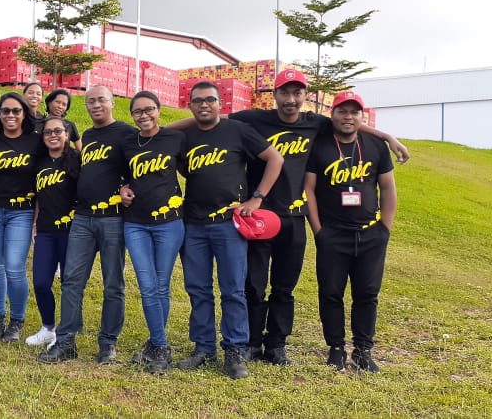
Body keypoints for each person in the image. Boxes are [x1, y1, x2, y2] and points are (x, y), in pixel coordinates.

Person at [164, 68, 409, 365]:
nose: (291, 99)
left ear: (305, 96)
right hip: (257, 217)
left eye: (297, 93)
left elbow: (350, 123)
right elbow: (209, 117)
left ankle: (277, 344)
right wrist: (160, 131)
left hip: (293, 218)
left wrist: (386, 137)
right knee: (253, 285)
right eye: (284, 93)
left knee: (284, 287)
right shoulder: (254, 119)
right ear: (275, 95)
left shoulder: (315, 123)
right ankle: (252, 343)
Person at [174, 81, 283, 380]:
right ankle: (203, 348)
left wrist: (257, 197)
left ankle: (234, 350)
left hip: (229, 224)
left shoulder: (237, 130)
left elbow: (276, 158)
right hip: (194, 223)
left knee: (233, 290)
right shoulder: (185, 136)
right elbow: (182, 164)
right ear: (190, 105)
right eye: (197, 101)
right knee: (197, 289)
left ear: (221, 103)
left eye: (210, 100)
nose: (204, 105)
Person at [38, 85, 136, 365]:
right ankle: (66, 342)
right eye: (91, 101)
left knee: (113, 284)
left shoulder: (126, 132)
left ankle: (108, 343)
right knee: (71, 281)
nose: (96, 105)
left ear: (113, 102)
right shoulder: (90, 136)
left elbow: (141, 164)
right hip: (82, 218)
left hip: (112, 218)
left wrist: (129, 185)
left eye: (101, 100)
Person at [304, 91, 397, 373]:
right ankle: (335, 348)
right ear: (332, 115)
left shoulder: (375, 146)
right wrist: (319, 231)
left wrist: (385, 228)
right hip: (333, 235)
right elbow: (309, 189)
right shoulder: (320, 145)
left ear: (361, 116)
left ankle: (362, 351)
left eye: (354, 112)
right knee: (331, 293)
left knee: (367, 294)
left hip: (370, 236)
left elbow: (387, 187)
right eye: (342, 111)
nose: (348, 117)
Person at [116, 91, 187, 374]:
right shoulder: (128, 143)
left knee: (161, 285)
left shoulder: (175, 139)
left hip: (169, 223)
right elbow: (121, 175)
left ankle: (156, 346)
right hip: (135, 223)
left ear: (159, 110)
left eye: (149, 109)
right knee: (147, 285)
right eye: (138, 111)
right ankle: (160, 346)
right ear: (132, 115)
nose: (144, 115)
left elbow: (191, 169)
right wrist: (121, 188)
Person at [0, 93, 42, 342]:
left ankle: (17, 320)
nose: (11, 115)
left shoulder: (35, 142)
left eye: (16, 110)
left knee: (15, 268)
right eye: (5, 111)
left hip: (22, 212)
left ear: (24, 113)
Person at [25, 116, 80, 348]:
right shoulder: (40, 163)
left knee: (69, 283)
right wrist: (35, 224)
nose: (53, 135)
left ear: (67, 134)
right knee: (40, 281)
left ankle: (66, 333)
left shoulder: (77, 160)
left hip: (72, 231)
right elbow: (39, 196)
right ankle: (48, 328)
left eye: (58, 131)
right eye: (48, 132)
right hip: (46, 230)